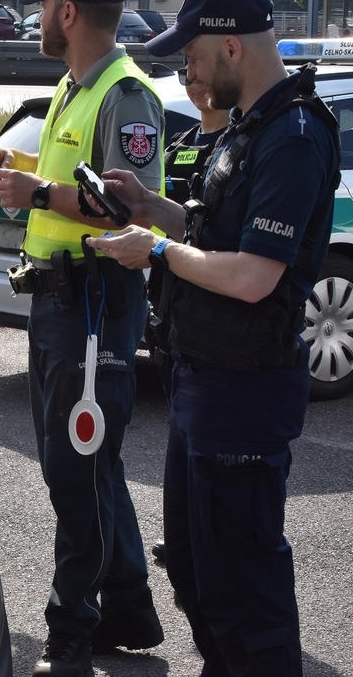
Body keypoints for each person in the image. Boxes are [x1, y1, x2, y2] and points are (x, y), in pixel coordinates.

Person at [88, 0, 341, 676]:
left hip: (244, 390)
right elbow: (213, 232)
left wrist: (160, 251)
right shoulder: (249, 129)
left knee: (244, 591)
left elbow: (255, 276)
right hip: (202, 381)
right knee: (198, 571)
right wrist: (150, 209)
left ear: (231, 44)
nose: (187, 73)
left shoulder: (291, 137)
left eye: (193, 57)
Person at [0, 0, 165, 677]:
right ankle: (129, 607)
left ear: (67, 14)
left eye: (41, 6)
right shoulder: (73, 88)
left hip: (95, 302)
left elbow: (130, 207)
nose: (34, 19)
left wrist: (37, 194)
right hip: (62, 299)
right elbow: (67, 182)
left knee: (76, 468)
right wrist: (15, 170)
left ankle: (70, 633)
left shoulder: (124, 95)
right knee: (92, 466)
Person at [147, 78, 231, 566]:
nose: (195, 81)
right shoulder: (178, 147)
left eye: (201, 70)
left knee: (207, 445)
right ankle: (180, 534)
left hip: (212, 305)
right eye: (186, 74)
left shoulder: (236, 149)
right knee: (178, 432)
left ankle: (201, 542)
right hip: (171, 303)